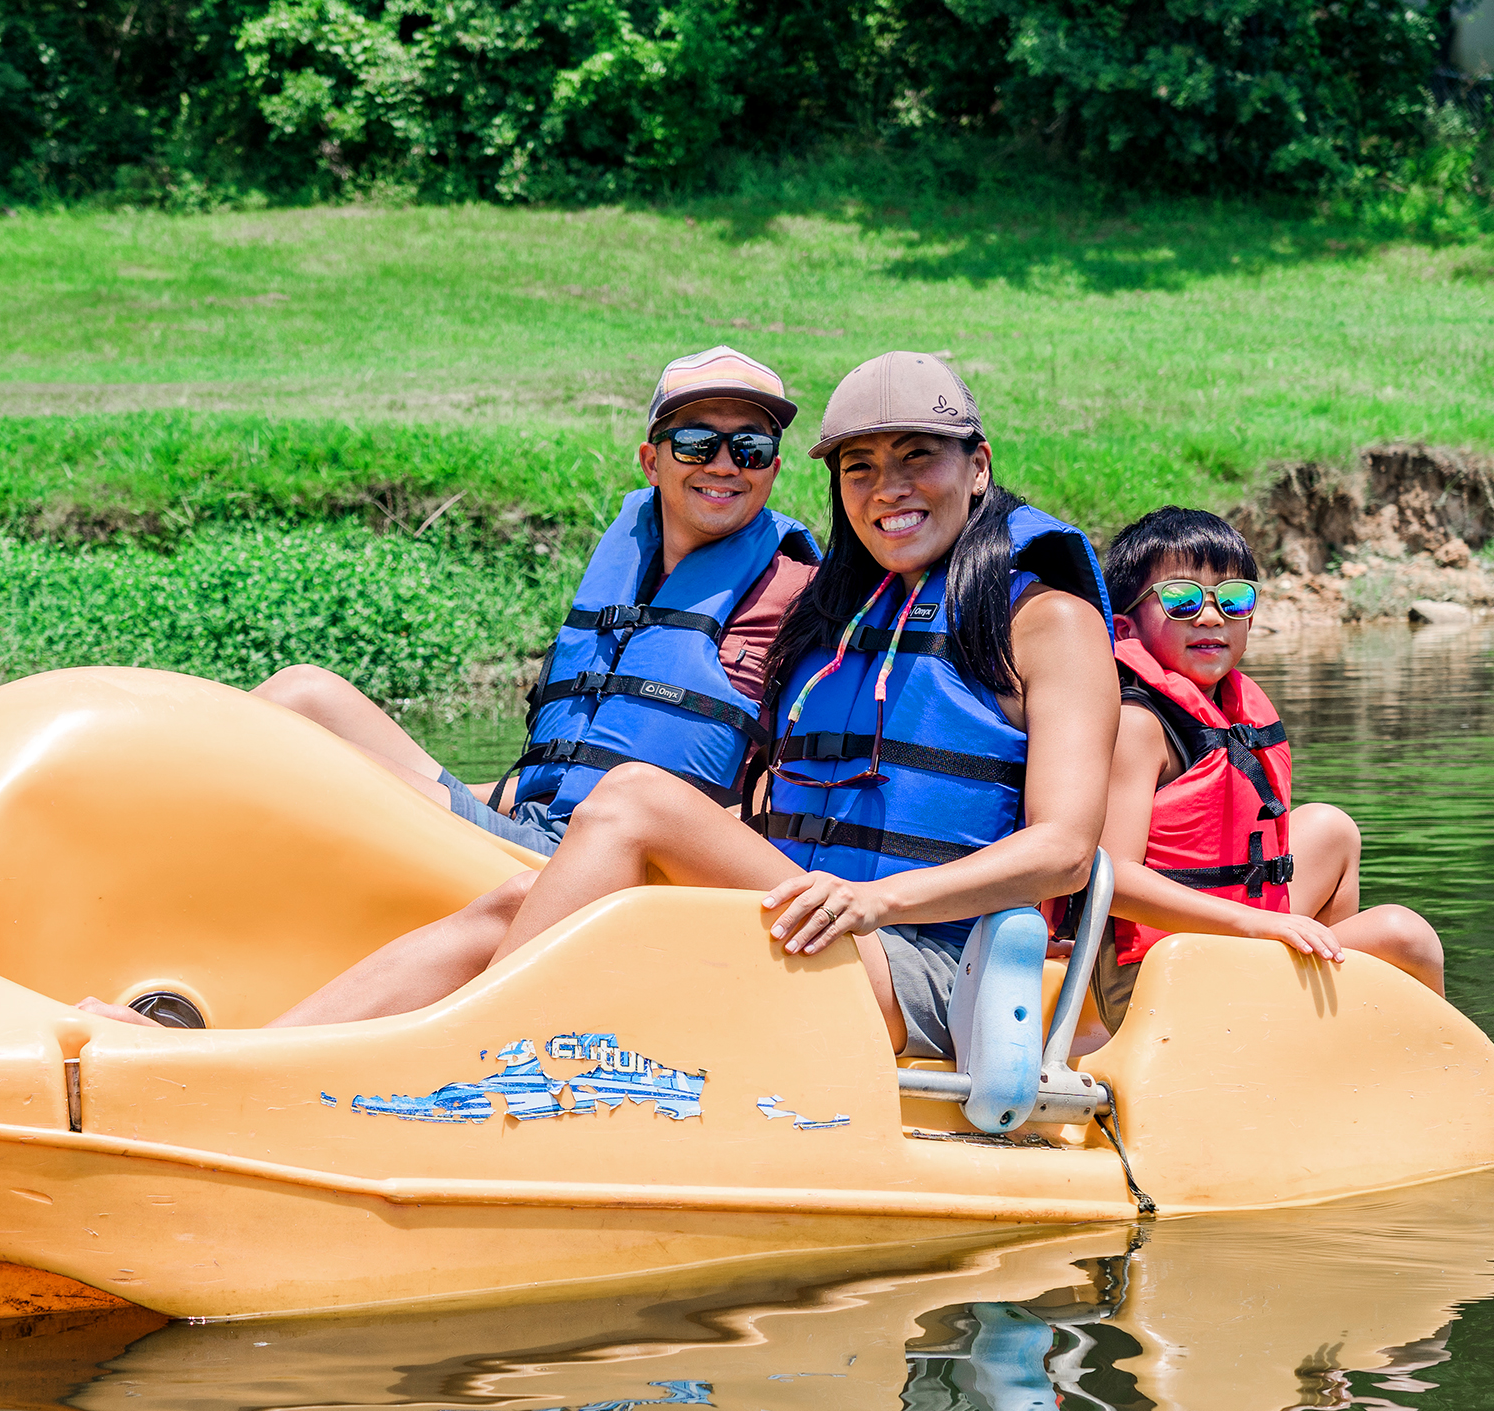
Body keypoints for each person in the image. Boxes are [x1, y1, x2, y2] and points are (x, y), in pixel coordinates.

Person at [199, 352, 1120, 1053]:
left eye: (918, 459)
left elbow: (1064, 852)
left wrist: (879, 902)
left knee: (638, 794)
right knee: (513, 899)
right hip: (813, 916)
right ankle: (256, 1056)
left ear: (979, 466)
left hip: (925, 966)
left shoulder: (1047, 617)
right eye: (860, 468)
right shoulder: (843, 616)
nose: (888, 490)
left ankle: (456, 1060)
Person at [249, 345, 820, 857]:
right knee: (301, 694)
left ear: (772, 466)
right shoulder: (632, 575)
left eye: (749, 447)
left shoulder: (799, 595)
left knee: (304, 764)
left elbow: (792, 791)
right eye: (697, 444)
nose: (723, 464)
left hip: (597, 864)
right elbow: (573, 756)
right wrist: (445, 794)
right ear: (652, 461)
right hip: (526, 827)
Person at [1085, 506, 1494, 1095]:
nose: (1210, 615)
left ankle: (1331, 1036)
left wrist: (1255, 927)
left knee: (1330, 828)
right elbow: (1112, 879)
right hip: (1166, 982)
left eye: (1232, 599)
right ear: (1125, 629)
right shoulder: (1138, 725)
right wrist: (1252, 925)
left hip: (1227, 947)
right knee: (1403, 935)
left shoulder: (1231, 710)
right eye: (1180, 600)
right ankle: (1455, 1070)